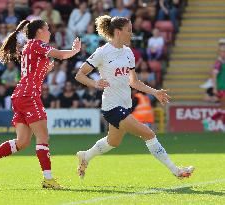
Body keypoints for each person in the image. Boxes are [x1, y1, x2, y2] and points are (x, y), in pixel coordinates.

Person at [75, 15, 194, 180]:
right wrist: (95, 84)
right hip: (112, 106)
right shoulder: (102, 52)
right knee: (149, 134)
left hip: (125, 104)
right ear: (118, 32)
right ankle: (177, 171)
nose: (132, 34)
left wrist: (155, 92)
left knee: (113, 142)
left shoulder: (129, 52)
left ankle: (85, 156)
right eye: (129, 30)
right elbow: (80, 75)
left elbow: (134, 82)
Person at [0, 19, 81, 189]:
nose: (50, 32)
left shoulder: (30, 46)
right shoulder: (37, 44)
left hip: (20, 95)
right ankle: (48, 179)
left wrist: (46, 69)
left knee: (23, 142)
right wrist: (75, 50)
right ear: (39, 31)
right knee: (43, 137)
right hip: (28, 95)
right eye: (47, 29)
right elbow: (61, 55)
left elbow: (33, 70)